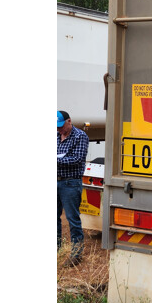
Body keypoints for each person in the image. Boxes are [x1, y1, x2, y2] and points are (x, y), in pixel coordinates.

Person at [57, 110, 89, 265]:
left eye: (61, 126)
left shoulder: (80, 136)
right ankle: (57, 249)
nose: (59, 130)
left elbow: (77, 159)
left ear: (69, 121)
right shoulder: (55, 135)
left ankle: (76, 254)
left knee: (72, 219)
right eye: (57, 127)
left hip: (70, 182)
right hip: (56, 180)